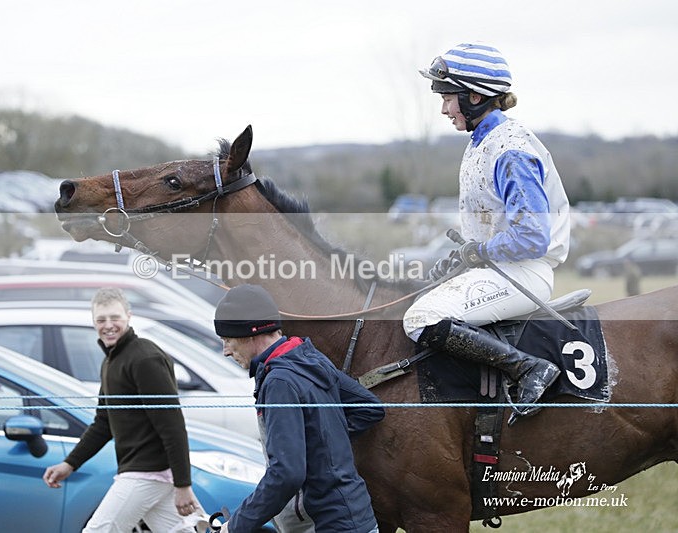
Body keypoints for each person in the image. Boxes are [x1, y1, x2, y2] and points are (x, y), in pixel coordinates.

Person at [404, 43, 571, 425]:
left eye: (448, 98)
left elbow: (531, 237)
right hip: (501, 270)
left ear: (475, 95)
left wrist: (477, 251)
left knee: (421, 318)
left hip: (523, 273)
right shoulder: (483, 139)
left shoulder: (510, 150)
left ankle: (529, 368)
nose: (444, 109)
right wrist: (467, 253)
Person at [213, 284, 384, 533]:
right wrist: (320, 444)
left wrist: (235, 526)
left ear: (250, 335)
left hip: (325, 525)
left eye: (228, 340)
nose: (226, 351)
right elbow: (369, 407)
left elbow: (286, 474)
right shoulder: (308, 357)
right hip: (357, 519)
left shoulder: (279, 381)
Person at [43, 287, 202, 532]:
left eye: (115, 317)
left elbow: (172, 425)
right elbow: (103, 423)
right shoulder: (111, 361)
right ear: (93, 322)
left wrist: (183, 485)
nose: (108, 325)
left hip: (146, 472)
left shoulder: (145, 358)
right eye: (101, 319)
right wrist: (70, 464)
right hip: (147, 473)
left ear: (129, 316)